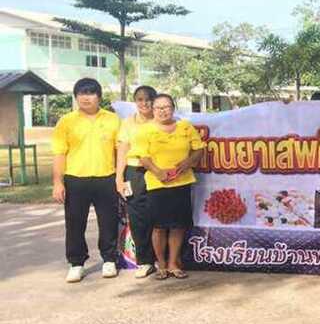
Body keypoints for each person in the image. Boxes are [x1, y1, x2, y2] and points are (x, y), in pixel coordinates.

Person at [52, 78, 122, 283]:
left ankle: (109, 259)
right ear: (76, 97)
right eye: (81, 94)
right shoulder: (66, 121)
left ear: (99, 97)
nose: (86, 98)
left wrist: (119, 177)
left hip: (105, 178)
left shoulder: (112, 120)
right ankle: (76, 263)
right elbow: (59, 153)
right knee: (75, 223)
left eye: (90, 93)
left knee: (108, 221)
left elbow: (120, 151)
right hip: (76, 179)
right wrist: (58, 182)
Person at [132, 94, 206, 280]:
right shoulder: (145, 130)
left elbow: (199, 149)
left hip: (182, 182)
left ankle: (173, 263)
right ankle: (161, 265)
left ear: (173, 108)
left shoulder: (185, 127)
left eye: (166, 107)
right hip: (157, 184)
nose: (162, 111)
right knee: (158, 227)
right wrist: (158, 172)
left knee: (178, 226)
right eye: (158, 108)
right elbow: (143, 157)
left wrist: (187, 163)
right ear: (153, 110)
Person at [115, 85, 158, 278]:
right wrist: (119, 177)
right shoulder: (128, 123)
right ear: (135, 102)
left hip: (158, 171)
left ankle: (163, 259)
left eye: (148, 99)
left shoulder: (162, 120)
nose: (144, 103)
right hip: (134, 172)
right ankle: (145, 261)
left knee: (158, 214)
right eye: (140, 99)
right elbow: (122, 150)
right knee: (137, 216)